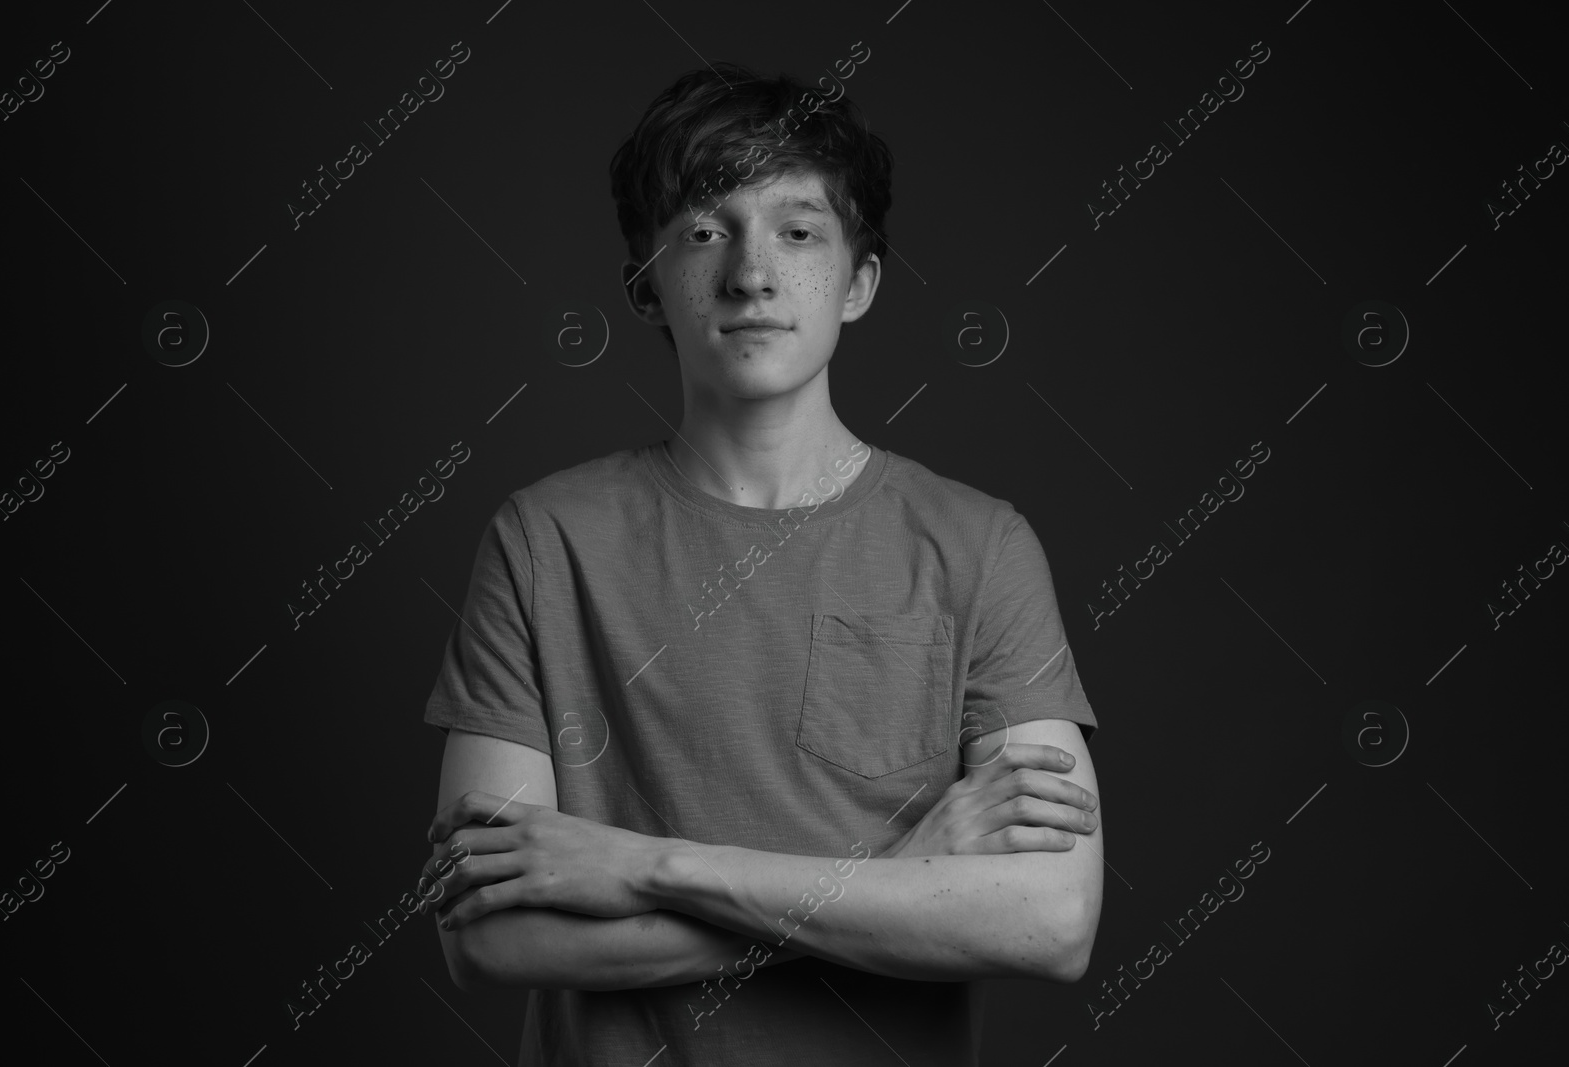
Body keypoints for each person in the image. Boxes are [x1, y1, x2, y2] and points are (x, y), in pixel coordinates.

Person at [418, 61, 1104, 1066]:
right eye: (703, 231)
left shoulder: (979, 547)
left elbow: (1048, 923)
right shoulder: (541, 539)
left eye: (796, 230)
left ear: (859, 281)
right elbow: (486, 934)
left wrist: (645, 866)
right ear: (645, 286)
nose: (750, 272)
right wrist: (894, 880)